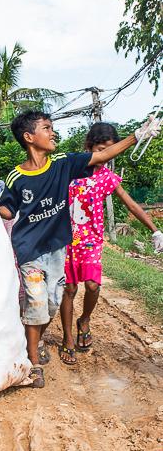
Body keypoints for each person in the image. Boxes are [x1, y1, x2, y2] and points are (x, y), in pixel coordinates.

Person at [0, 109, 160, 388]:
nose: (53, 133)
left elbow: (105, 161)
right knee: (38, 303)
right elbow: (7, 209)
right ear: (29, 137)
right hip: (31, 250)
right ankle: (33, 361)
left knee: (50, 304)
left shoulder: (63, 163)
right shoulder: (17, 176)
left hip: (61, 248)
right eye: (47, 128)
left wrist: (138, 135)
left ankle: (34, 338)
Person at [59, 122, 163, 364]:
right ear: (90, 147)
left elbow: (131, 204)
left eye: (110, 149)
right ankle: (67, 338)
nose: (106, 155)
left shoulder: (107, 177)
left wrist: (155, 230)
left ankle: (84, 320)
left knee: (93, 286)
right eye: (102, 148)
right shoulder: (70, 169)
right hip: (66, 238)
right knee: (70, 289)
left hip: (92, 240)